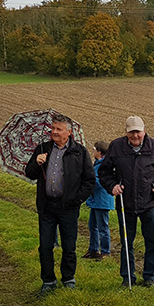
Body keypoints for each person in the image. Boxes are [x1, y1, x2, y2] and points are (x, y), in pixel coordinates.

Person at [98, 115, 154, 287]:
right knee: (127, 242)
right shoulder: (116, 147)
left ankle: (149, 276)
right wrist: (112, 186)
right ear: (126, 132)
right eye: (131, 132)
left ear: (144, 131)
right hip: (126, 204)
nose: (135, 136)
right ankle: (128, 278)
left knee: (153, 242)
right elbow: (104, 172)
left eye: (138, 132)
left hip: (150, 203)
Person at [25, 115, 94, 294]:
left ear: (69, 132)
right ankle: (48, 281)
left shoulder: (79, 152)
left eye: (59, 129)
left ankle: (68, 278)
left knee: (69, 246)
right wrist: (36, 162)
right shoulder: (42, 149)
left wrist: (77, 199)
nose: (54, 132)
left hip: (69, 208)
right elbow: (30, 173)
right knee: (45, 246)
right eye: (53, 128)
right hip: (46, 207)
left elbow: (89, 180)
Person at [82, 141, 114, 260]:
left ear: (99, 152)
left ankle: (105, 252)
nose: (93, 151)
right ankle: (93, 250)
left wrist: (89, 180)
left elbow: (102, 182)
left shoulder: (104, 165)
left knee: (103, 228)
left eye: (95, 149)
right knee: (92, 226)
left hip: (102, 200)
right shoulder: (97, 163)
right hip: (96, 201)